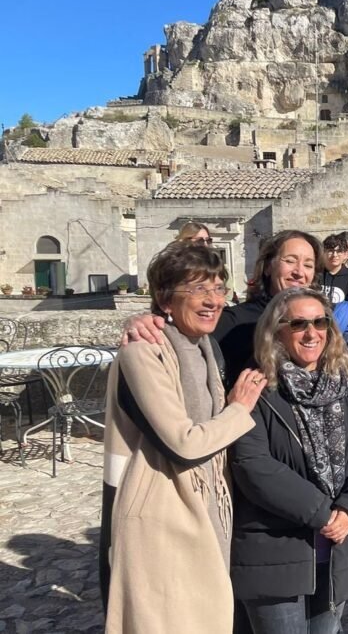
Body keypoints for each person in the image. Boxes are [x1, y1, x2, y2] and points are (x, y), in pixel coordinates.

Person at [100, 242, 263, 632]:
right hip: (161, 515)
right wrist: (238, 408)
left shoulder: (206, 349)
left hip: (207, 508)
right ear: (165, 299)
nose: (212, 300)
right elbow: (184, 443)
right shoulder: (143, 353)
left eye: (219, 288)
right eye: (197, 290)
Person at [230, 287, 348, 633]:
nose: (311, 332)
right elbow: (252, 464)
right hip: (277, 550)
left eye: (320, 322)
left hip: (337, 546)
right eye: (298, 323)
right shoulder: (257, 387)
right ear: (277, 330)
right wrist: (323, 513)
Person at [121, 230, 322, 389]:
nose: (299, 272)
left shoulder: (321, 323)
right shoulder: (233, 320)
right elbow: (179, 334)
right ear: (268, 267)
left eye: (308, 265)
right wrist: (146, 320)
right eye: (290, 261)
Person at [321, 233, 348, 331]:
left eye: (339, 251)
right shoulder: (315, 274)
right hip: (318, 324)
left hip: (342, 328)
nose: (335, 255)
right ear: (323, 252)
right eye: (330, 251)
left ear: (345, 254)